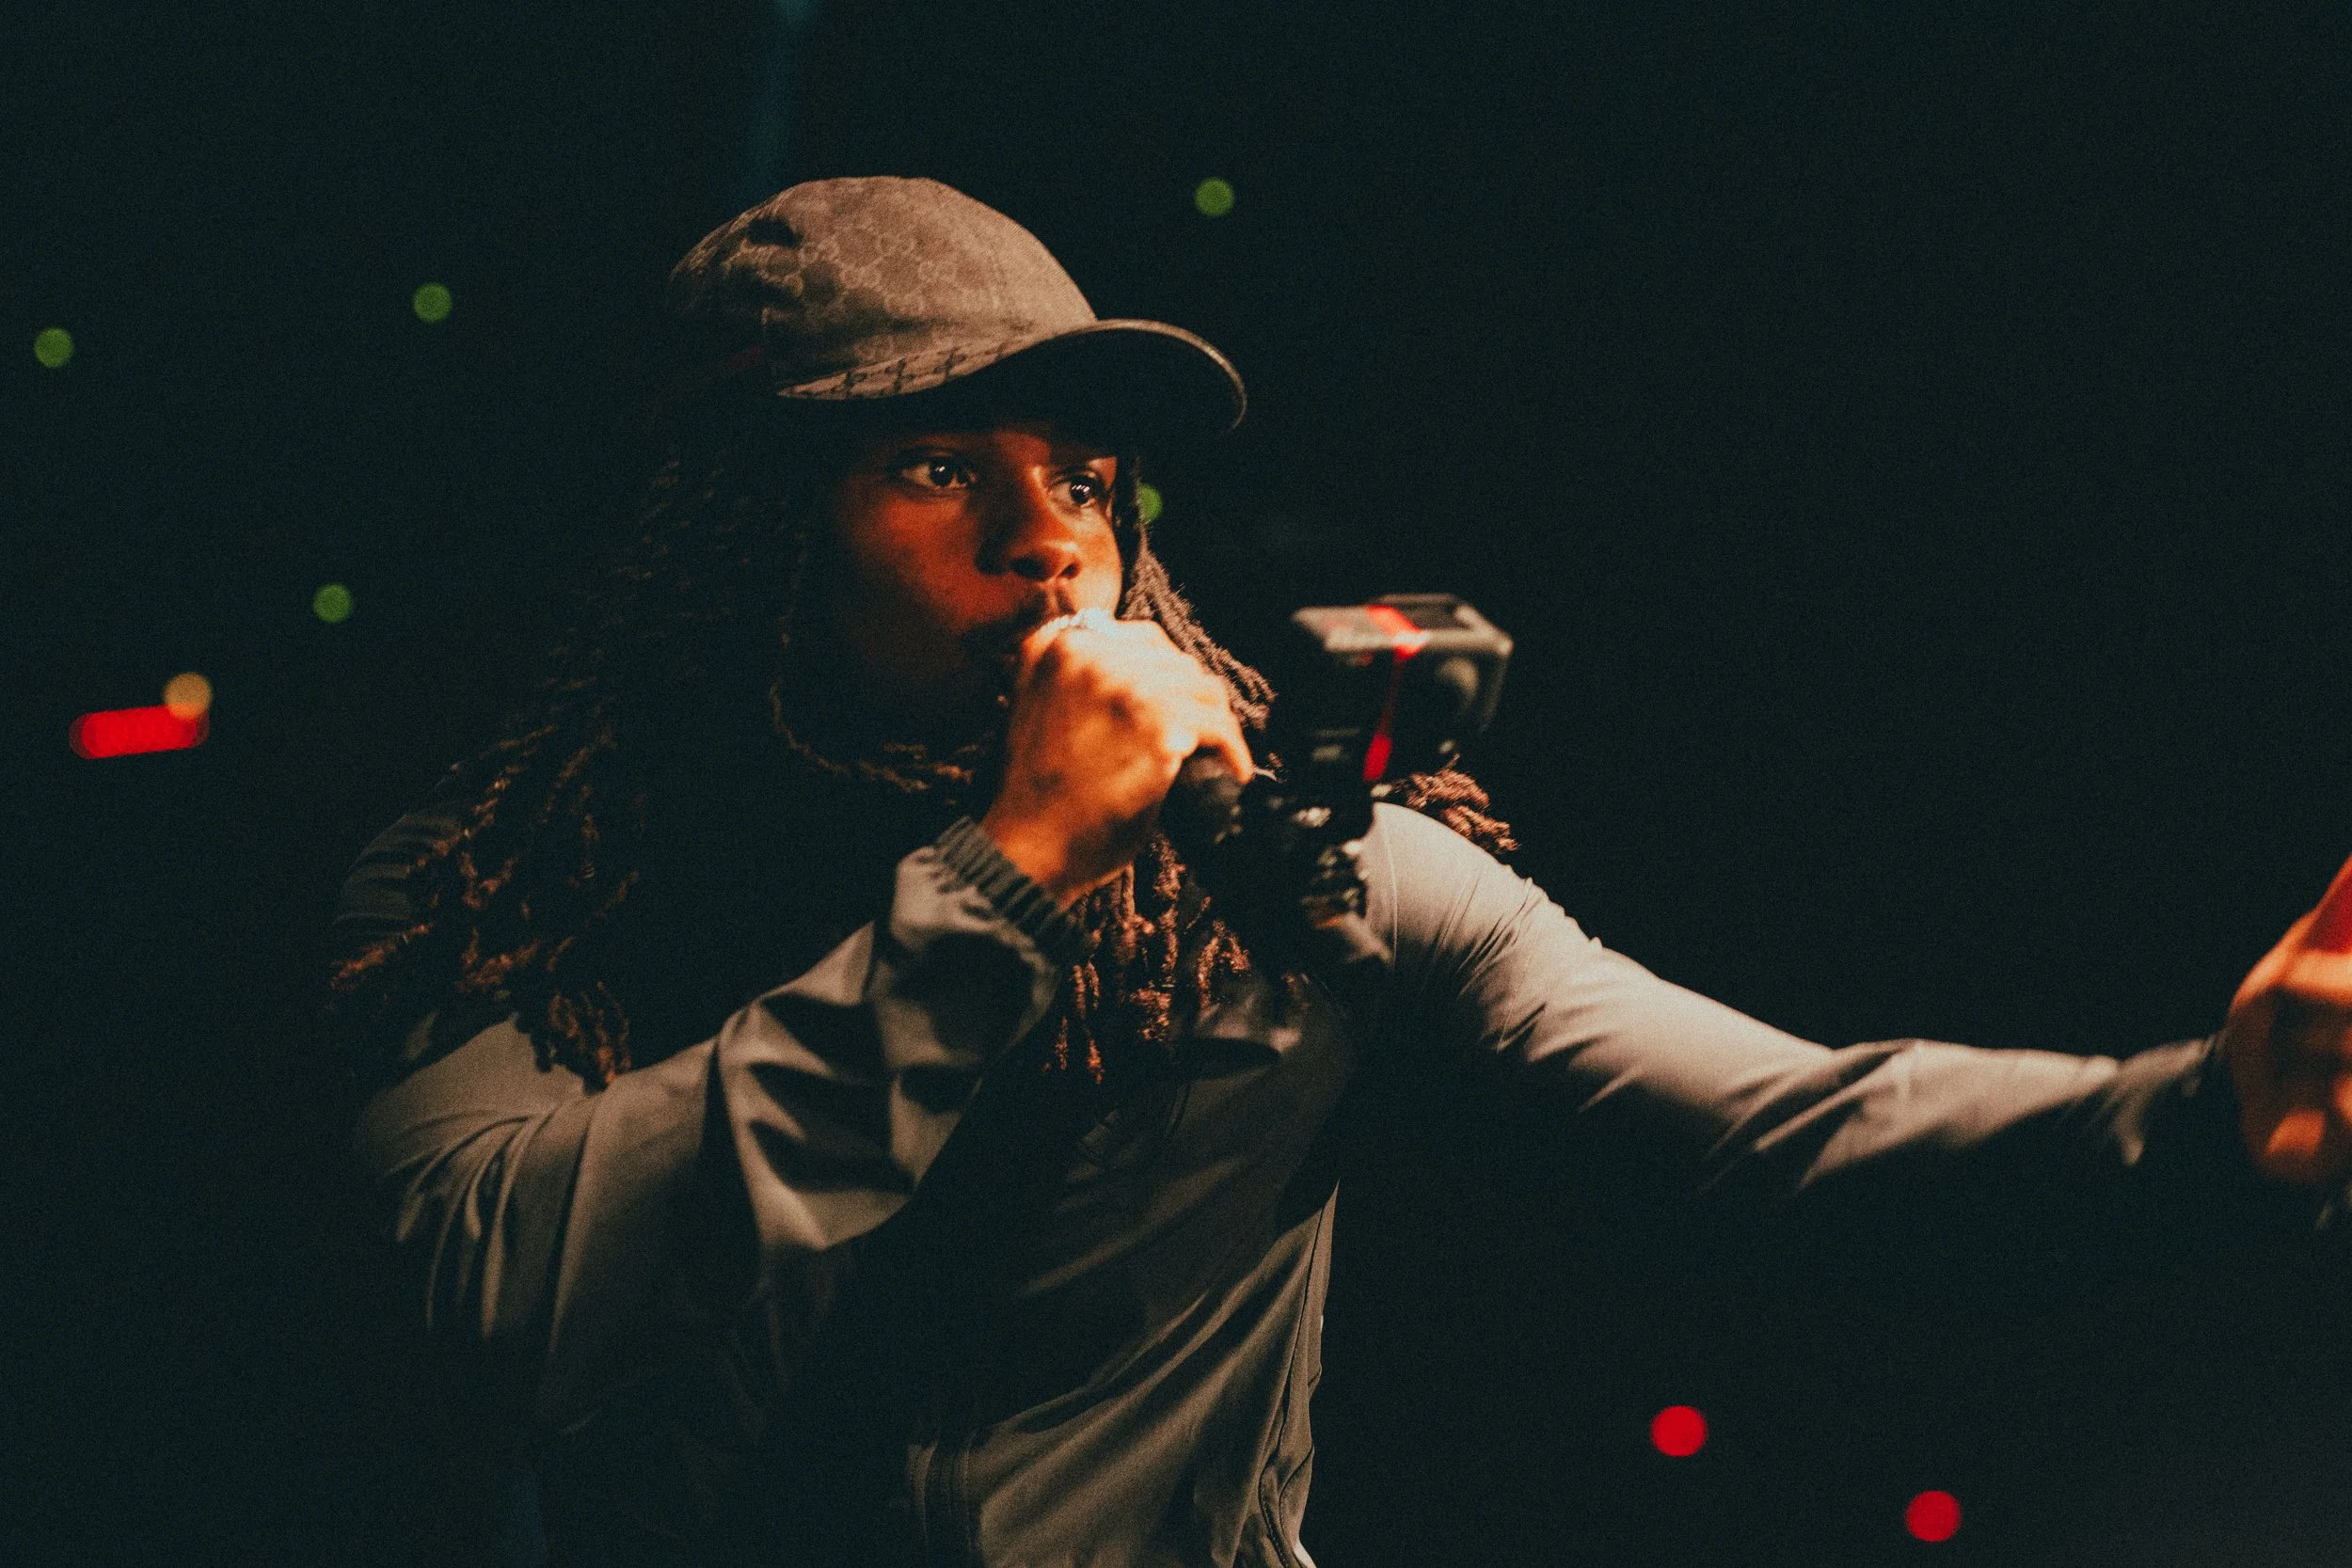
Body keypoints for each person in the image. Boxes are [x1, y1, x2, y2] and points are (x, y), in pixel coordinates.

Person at [329, 176, 2352, 1568]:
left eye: (1085, 474)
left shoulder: (1293, 878)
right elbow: (489, 1292)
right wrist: (1003, 874)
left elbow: (1776, 1130)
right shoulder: (515, 884)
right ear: (737, 538)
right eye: (936, 464)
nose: (1049, 539)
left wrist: (2194, 1113)